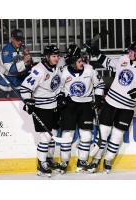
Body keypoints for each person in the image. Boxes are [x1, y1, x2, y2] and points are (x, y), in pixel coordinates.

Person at [87, 41, 136, 173]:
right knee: (103, 133)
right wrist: (97, 54)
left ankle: (108, 159)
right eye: (129, 51)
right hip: (110, 103)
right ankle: (96, 160)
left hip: (127, 109)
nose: (128, 53)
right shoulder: (124, 59)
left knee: (117, 136)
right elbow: (110, 64)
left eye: (132, 52)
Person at [57, 44, 105, 174]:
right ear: (72, 62)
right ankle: (64, 162)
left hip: (86, 105)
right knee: (67, 136)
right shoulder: (63, 71)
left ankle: (82, 161)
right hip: (70, 105)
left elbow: (100, 84)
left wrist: (99, 98)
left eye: (82, 59)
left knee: (86, 135)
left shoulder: (90, 70)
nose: (82, 62)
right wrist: (60, 96)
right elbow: (58, 87)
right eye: (78, 61)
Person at [19, 45, 62, 177]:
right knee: (45, 137)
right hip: (42, 108)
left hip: (53, 106)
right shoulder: (38, 70)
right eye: (54, 56)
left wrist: (60, 95)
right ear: (47, 57)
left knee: (53, 134)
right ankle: (41, 163)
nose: (57, 58)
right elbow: (25, 88)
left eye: (57, 56)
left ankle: (48, 159)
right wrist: (28, 102)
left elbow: (56, 85)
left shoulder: (57, 67)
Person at [0, 29, 33, 98]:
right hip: (3, 83)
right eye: (17, 40)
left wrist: (29, 60)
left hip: (16, 82)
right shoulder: (6, 50)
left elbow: (29, 66)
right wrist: (24, 61)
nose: (20, 42)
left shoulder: (23, 48)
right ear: (12, 39)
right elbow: (11, 69)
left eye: (21, 40)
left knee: (18, 105)